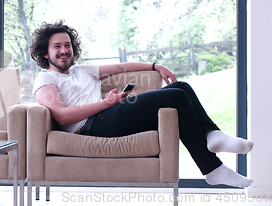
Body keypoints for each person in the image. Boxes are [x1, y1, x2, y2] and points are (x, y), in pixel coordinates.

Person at [30, 20, 254, 188]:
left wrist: (155, 66)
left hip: (107, 116)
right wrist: (106, 104)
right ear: (45, 53)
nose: (64, 50)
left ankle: (212, 139)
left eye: (67, 45)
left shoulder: (83, 70)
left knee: (182, 88)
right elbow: (61, 116)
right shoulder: (46, 79)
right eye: (57, 46)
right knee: (175, 96)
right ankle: (212, 162)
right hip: (90, 127)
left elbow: (121, 67)